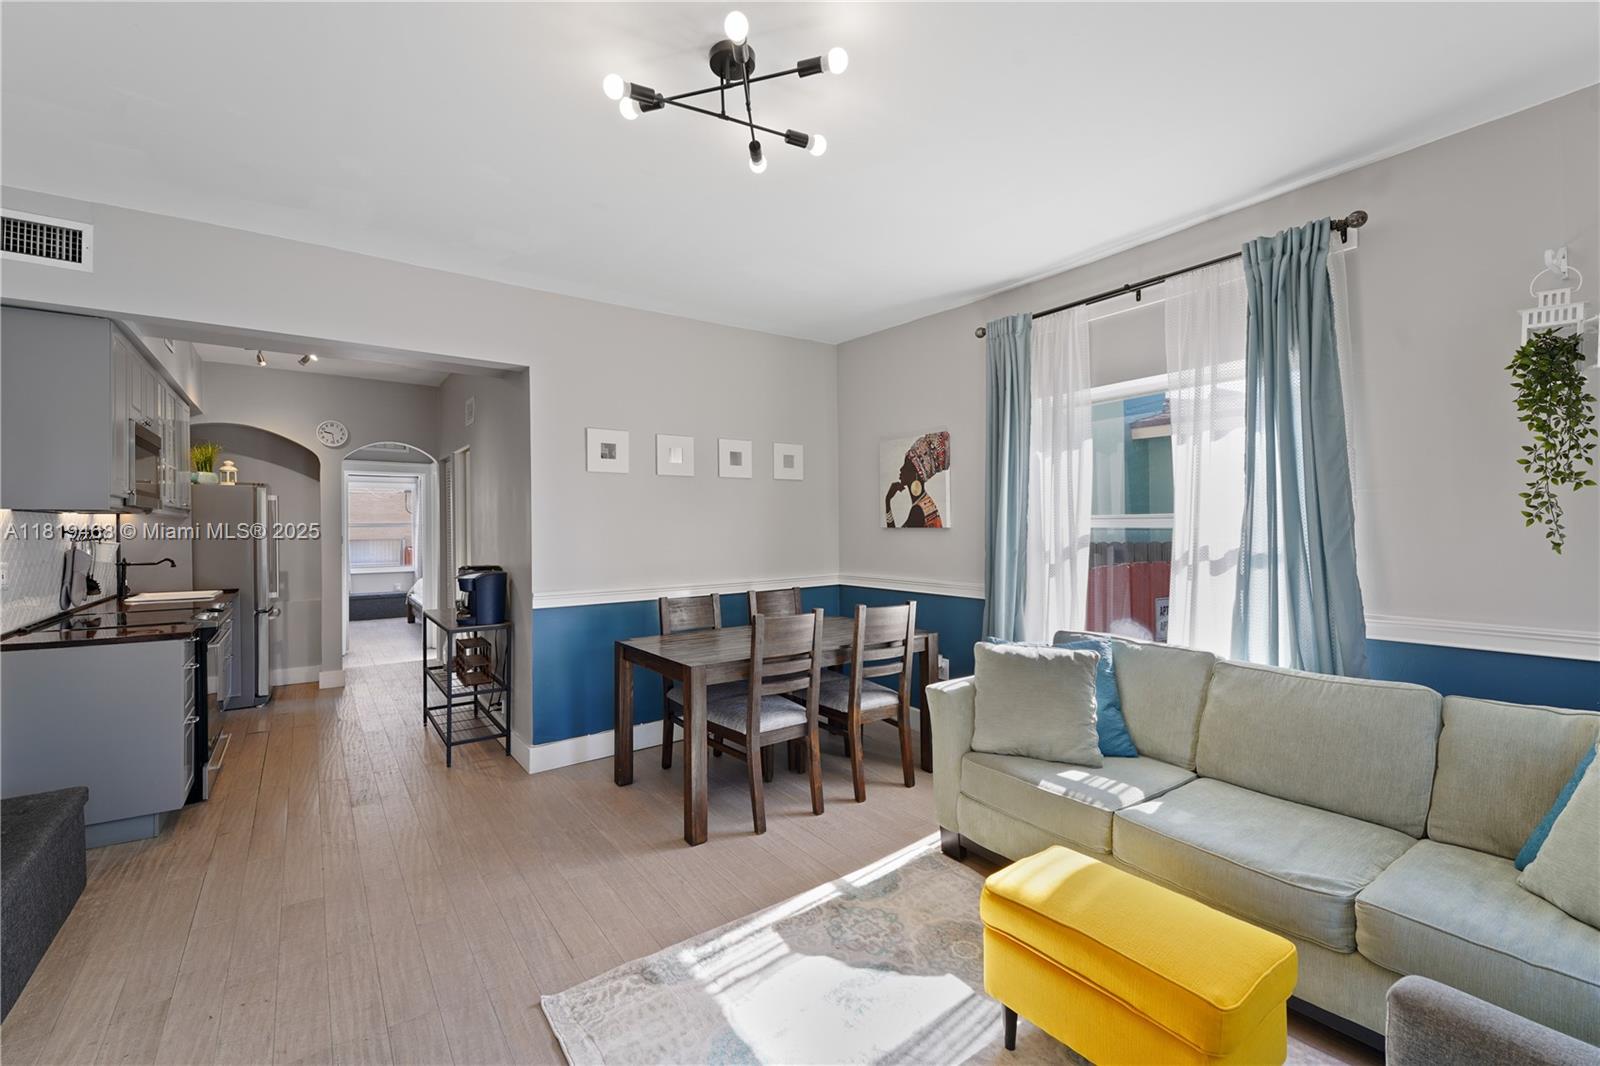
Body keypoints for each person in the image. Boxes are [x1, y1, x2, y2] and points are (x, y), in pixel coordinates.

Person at [885, 431, 950, 528]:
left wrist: (887, 501)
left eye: (906, 466)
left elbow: (893, 538)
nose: (901, 469)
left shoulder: (917, 511)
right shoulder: (926, 503)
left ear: (916, 474)